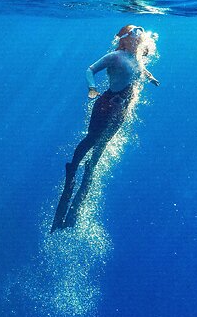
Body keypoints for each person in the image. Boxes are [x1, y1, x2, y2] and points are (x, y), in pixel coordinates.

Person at [51, 24, 159, 231]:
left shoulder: (137, 58)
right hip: (108, 103)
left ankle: (88, 174)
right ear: (125, 38)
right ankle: (73, 168)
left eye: (140, 34)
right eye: (135, 33)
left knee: (103, 143)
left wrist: (150, 77)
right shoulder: (115, 56)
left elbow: (140, 69)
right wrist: (92, 87)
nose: (139, 37)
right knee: (92, 138)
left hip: (122, 109)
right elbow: (90, 69)